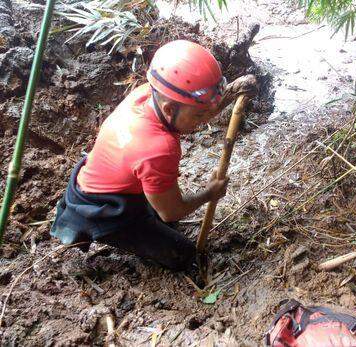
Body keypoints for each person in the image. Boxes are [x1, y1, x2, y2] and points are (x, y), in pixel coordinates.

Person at [50, 40, 256, 272]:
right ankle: (101, 231)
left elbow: (194, 106)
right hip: (103, 209)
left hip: (99, 180)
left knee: (167, 218)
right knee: (186, 255)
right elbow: (171, 211)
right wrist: (210, 193)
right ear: (169, 109)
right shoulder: (159, 147)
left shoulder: (146, 95)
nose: (203, 122)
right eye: (199, 116)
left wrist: (232, 93)